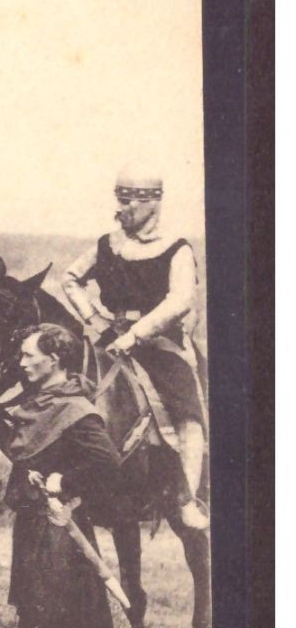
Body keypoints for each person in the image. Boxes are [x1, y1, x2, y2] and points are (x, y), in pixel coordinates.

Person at [61, 163, 209, 530]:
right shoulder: (108, 244)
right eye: (120, 199)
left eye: (130, 201)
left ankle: (187, 499)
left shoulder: (175, 249)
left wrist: (137, 334)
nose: (122, 208)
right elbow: (70, 278)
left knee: (187, 412)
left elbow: (180, 301)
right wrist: (94, 319)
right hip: (111, 337)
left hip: (159, 342)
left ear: (152, 203)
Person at [0, 324, 121, 628]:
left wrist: (67, 480)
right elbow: (27, 452)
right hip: (35, 521)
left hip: (62, 524)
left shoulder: (75, 409)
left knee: (49, 605)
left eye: (29, 355)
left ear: (55, 360)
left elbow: (108, 462)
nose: (21, 362)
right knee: (59, 603)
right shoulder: (39, 403)